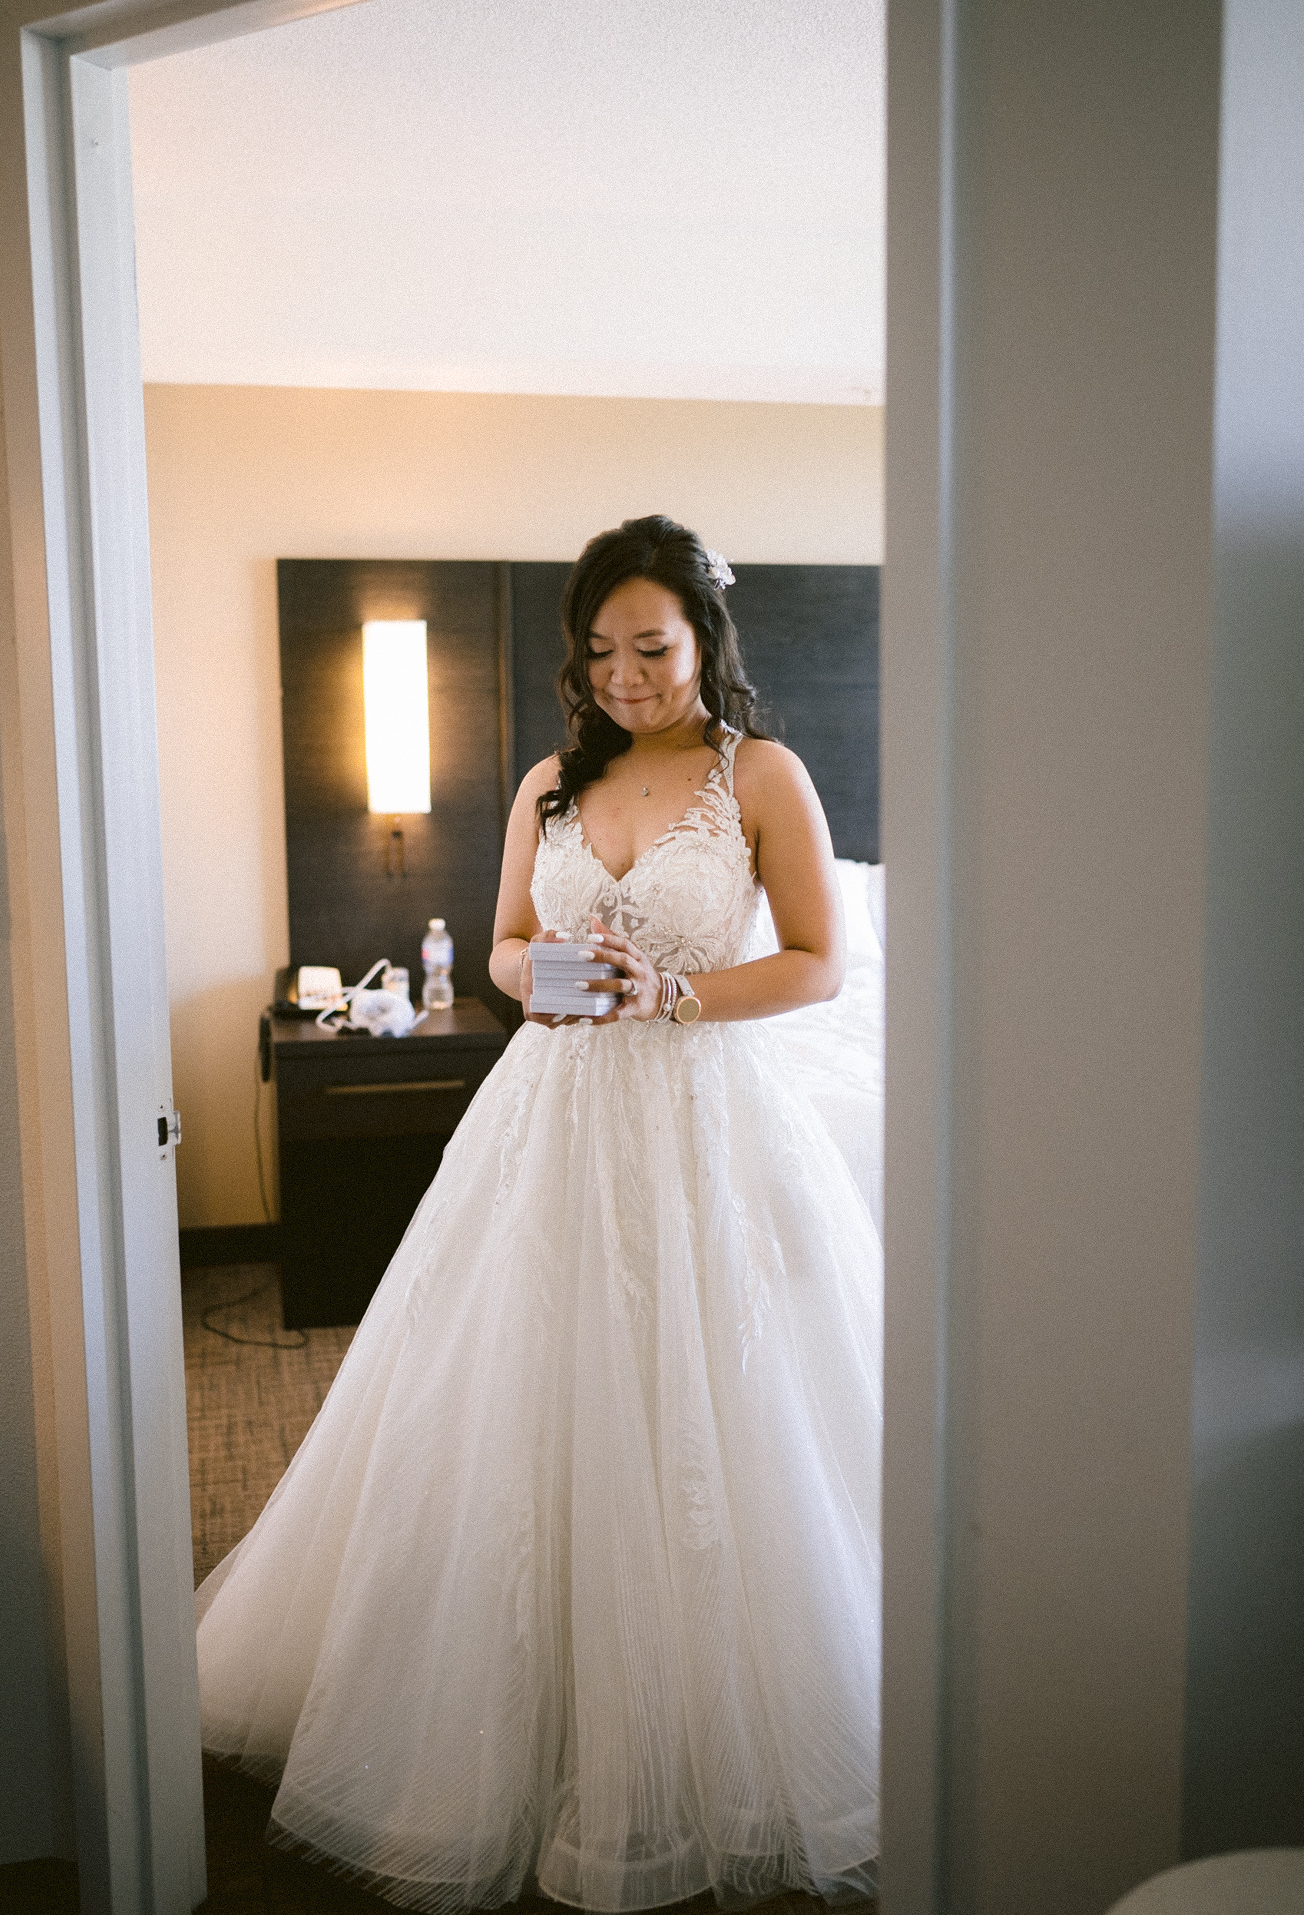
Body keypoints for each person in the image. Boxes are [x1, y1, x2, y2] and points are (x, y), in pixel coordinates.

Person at [195, 515, 882, 1913]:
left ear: (703, 642)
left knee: (712, 1404)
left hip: (705, 1115)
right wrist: (557, 974)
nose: (627, 675)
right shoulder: (550, 787)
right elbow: (504, 941)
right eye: (602, 650)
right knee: (518, 1387)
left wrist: (677, 992)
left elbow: (819, 962)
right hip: (557, 1114)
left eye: (654, 647)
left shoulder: (764, 775)